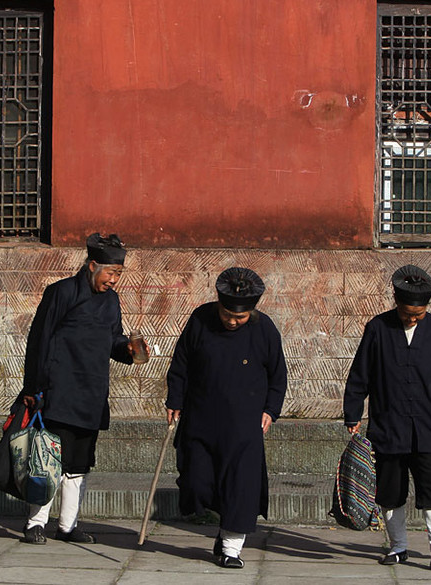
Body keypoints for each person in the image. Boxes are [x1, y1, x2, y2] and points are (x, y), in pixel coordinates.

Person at [342, 265, 431, 571]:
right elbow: (360, 375)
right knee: (390, 491)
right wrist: (352, 412)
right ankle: (398, 547)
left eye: (418, 314)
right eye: (408, 313)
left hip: (429, 426)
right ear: (397, 303)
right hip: (388, 426)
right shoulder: (378, 329)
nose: (412, 318)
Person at [17, 232, 148, 545]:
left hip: (91, 393)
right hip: (57, 391)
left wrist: (127, 351)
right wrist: (33, 388)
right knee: (48, 460)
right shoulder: (60, 293)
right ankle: (36, 523)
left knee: (78, 464)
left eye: (119, 274)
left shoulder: (111, 301)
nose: (114, 280)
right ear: (93, 265)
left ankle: (68, 526)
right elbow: (39, 341)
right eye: (112, 273)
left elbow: (113, 339)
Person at [165, 267, 288, 568]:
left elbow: (278, 375)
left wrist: (271, 410)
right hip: (201, 416)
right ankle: (222, 522)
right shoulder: (200, 320)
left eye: (239, 318)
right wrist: (175, 399)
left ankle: (231, 547)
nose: (232, 321)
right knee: (197, 481)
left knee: (240, 485)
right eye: (227, 315)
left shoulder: (265, 330)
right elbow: (181, 362)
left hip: (244, 424)